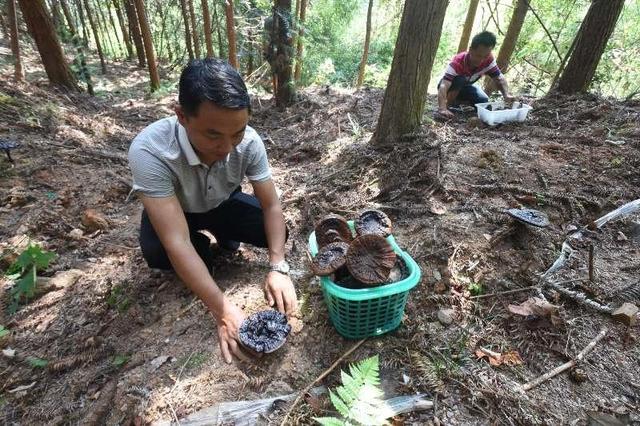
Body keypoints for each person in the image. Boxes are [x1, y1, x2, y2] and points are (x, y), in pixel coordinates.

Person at [127, 58, 297, 364]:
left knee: (275, 232)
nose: (228, 147)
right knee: (160, 252)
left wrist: (278, 266)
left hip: (222, 202)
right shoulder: (150, 151)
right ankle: (204, 246)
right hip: (175, 211)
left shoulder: (251, 143)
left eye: (237, 133)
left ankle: (222, 235)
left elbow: (272, 205)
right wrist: (222, 310)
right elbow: (176, 240)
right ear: (181, 116)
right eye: (213, 135)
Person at [436, 31, 515, 119]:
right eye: (478, 56)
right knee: (460, 79)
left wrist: (506, 94)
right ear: (470, 50)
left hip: (466, 87)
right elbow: (444, 85)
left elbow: (499, 78)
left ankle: (458, 103)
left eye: (486, 56)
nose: (481, 60)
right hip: (451, 86)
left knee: (483, 100)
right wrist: (442, 108)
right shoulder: (457, 62)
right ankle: (448, 106)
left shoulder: (489, 61)